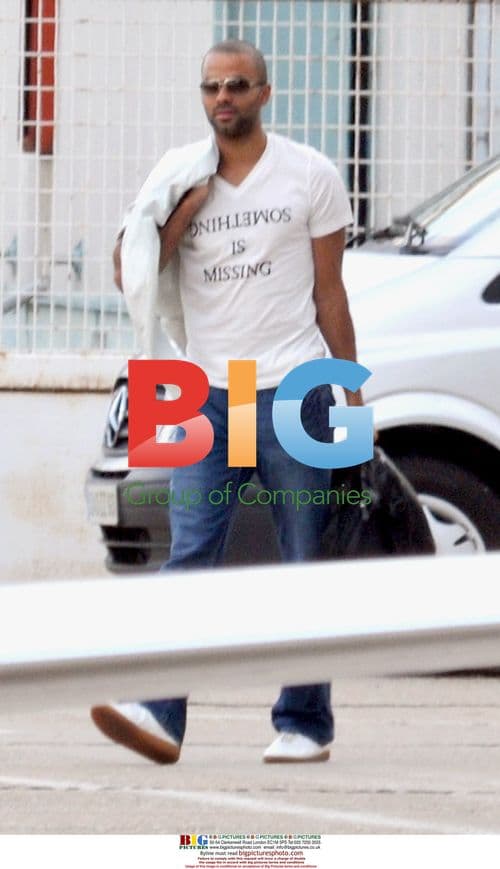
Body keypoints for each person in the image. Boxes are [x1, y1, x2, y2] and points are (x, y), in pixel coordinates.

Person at [91, 39, 364, 765]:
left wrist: (355, 394)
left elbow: (329, 291)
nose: (223, 98)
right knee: (186, 557)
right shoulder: (179, 172)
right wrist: (187, 209)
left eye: (237, 85)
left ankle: (305, 722)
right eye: (211, 86)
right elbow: (135, 270)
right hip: (193, 389)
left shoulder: (311, 173)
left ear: (264, 92)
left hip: (297, 385)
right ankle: (159, 711)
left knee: (304, 556)